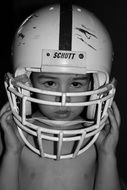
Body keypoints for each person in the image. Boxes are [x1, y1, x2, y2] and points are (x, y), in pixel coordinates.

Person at [0, 3, 126, 190]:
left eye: (76, 84)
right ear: (26, 84)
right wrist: (12, 153)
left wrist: (107, 154)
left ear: (96, 85)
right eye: (50, 83)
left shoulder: (95, 141)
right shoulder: (15, 137)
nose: (63, 98)